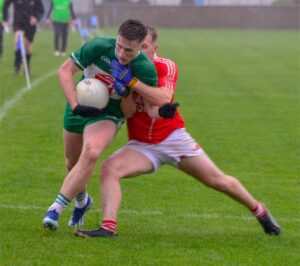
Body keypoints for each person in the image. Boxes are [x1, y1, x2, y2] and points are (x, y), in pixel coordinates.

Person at [74, 26, 281, 238]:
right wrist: (124, 90)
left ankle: (260, 211)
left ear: (155, 47)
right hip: (142, 145)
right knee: (109, 168)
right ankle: (108, 228)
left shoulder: (165, 66)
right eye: (136, 47)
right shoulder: (126, 66)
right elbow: (128, 112)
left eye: (144, 46)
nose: (136, 52)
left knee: (218, 181)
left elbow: (162, 98)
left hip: (172, 138)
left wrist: (132, 82)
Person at [42, 19, 176, 235]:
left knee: (91, 152)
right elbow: (65, 71)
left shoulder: (144, 68)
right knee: (72, 163)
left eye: (129, 50)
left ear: (142, 46)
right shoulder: (99, 46)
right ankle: (82, 201)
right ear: (117, 37)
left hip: (109, 113)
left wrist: (126, 92)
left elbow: (131, 112)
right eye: (120, 46)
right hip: (80, 104)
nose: (122, 53)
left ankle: (55, 209)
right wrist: (75, 105)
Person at [2, 0, 44, 75]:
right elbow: (6, 4)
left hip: (30, 23)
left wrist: (36, 18)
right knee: (18, 40)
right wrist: (5, 19)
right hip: (18, 22)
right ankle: (17, 65)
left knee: (27, 47)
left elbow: (41, 10)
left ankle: (27, 65)